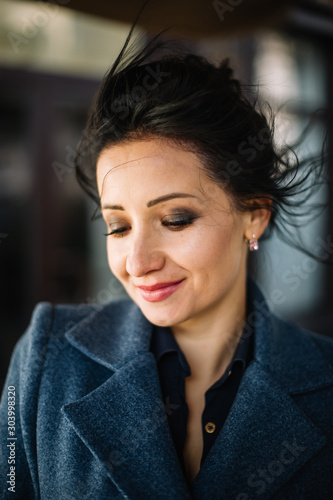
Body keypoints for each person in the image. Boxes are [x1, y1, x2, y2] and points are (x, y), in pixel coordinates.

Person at [1, 23, 333, 500]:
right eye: (118, 226)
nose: (137, 261)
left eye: (176, 219)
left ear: (254, 217)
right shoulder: (46, 358)